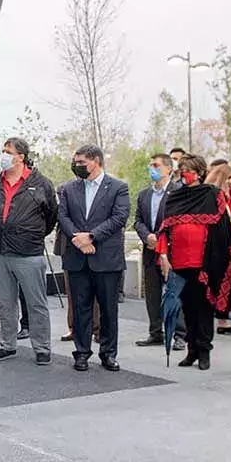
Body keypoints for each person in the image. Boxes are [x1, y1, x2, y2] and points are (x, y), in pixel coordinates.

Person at [156, 155, 231, 370]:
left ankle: (204, 350)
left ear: (200, 172)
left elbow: (222, 229)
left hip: (204, 263)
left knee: (204, 307)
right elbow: (164, 230)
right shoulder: (175, 197)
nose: (185, 173)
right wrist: (163, 255)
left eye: (189, 169)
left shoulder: (213, 195)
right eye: (182, 169)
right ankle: (191, 350)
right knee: (188, 308)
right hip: (180, 263)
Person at [58, 144, 131, 372]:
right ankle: (81, 352)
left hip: (106, 258)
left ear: (96, 161)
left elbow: (119, 217)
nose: (76, 167)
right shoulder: (68, 188)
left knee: (109, 310)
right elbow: (63, 216)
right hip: (77, 258)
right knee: (80, 307)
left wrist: (91, 236)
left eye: (81, 163)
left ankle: (108, 353)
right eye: (75, 163)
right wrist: (78, 239)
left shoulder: (118, 187)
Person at [0, 138, 58, 364]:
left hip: (28, 253)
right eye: (3, 151)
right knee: (6, 302)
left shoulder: (41, 183)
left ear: (21, 156)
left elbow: (51, 217)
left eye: (8, 151)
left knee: (36, 303)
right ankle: (8, 345)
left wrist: (32, 235)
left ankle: (42, 348)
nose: (4, 155)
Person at [134, 153, 185, 350]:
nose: (151, 169)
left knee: (175, 293)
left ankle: (180, 334)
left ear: (168, 169)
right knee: (152, 294)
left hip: (172, 252)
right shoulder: (144, 195)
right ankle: (155, 331)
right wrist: (147, 236)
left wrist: (161, 239)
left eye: (155, 165)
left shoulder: (179, 192)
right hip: (150, 250)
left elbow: (178, 221)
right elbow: (137, 220)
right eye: (150, 165)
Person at [209, 158, 231, 334]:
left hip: (227, 245)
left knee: (228, 284)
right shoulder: (213, 195)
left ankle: (223, 320)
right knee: (217, 284)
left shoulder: (228, 195)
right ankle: (217, 319)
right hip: (216, 247)